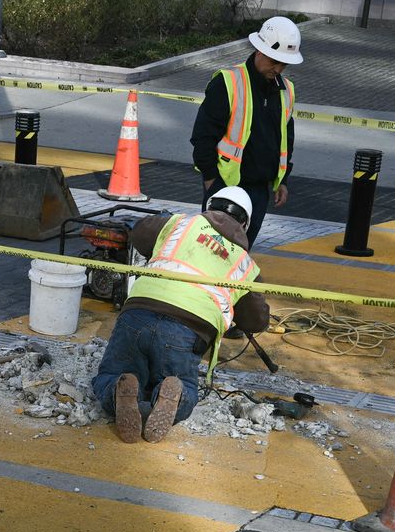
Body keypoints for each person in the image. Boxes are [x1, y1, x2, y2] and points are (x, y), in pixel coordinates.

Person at [92, 186, 270, 444]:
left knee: (112, 373)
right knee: (183, 385)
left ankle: (119, 392)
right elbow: (257, 321)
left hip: (138, 312)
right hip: (187, 331)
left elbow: (139, 233)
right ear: (244, 223)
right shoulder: (244, 263)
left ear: (209, 207)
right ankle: (174, 394)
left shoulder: (180, 224)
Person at [191, 16, 300, 244]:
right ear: (259, 50)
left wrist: (283, 181)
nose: (278, 69)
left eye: (284, 64)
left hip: (259, 190)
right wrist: (210, 178)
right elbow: (203, 135)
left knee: (240, 253)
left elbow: (286, 140)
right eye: (274, 61)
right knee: (212, 252)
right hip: (225, 185)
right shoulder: (228, 82)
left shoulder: (286, 90)